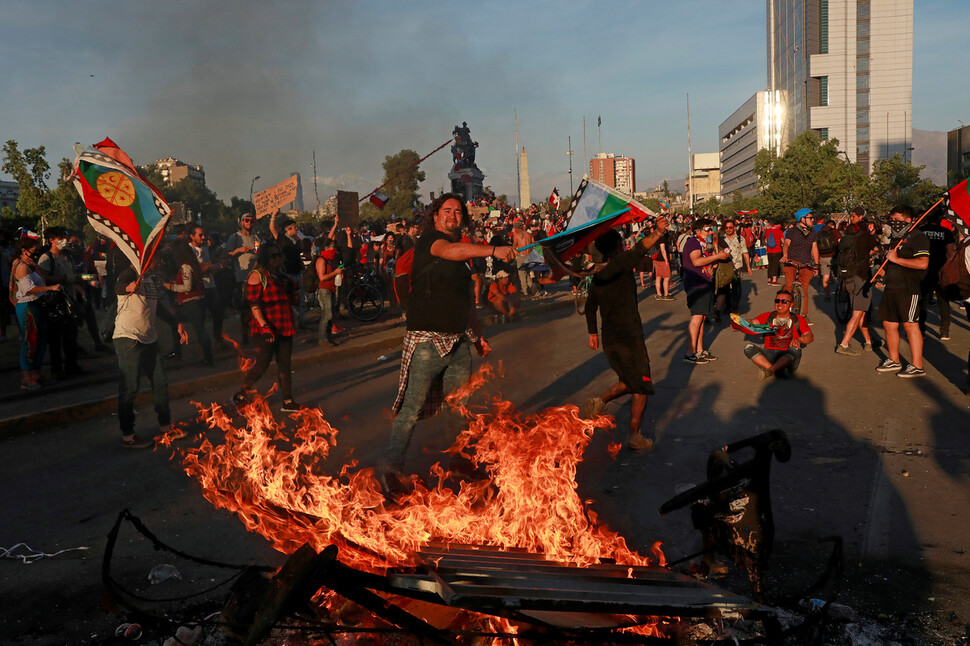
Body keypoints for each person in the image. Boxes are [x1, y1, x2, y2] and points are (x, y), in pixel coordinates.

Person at [384, 194, 515, 473]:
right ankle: (391, 469)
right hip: (426, 343)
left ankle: (458, 459)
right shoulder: (430, 240)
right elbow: (448, 251)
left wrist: (478, 337)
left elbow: (466, 301)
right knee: (410, 412)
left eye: (458, 212)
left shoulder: (461, 255)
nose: (452, 216)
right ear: (435, 215)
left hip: (458, 343)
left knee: (460, 407)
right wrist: (493, 251)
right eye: (447, 210)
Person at [581, 218, 670, 452]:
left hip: (610, 339)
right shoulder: (620, 263)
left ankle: (598, 402)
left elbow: (590, 308)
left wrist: (593, 334)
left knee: (628, 381)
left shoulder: (598, 276)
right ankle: (635, 436)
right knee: (641, 387)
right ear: (618, 248)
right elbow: (642, 247)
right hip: (630, 338)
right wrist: (659, 231)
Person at [114, 258, 188, 448]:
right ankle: (128, 436)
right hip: (129, 337)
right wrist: (128, 287)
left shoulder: (149, 279)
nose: (159, 261)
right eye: (155, 258)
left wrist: (176, 323)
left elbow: (159, 309)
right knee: (130, 387)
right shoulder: (130, 273)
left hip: (150, 338)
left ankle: (165, 427)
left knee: (160, 382)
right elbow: (119, 286)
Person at [232, 243, 302, 412]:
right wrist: (264, 326)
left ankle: (288, 401)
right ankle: (241, 395)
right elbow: (254, 306)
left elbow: (295, 299)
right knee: (262, 365)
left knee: (285, 365)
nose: (277, 258)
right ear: (264, 258)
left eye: (279, 255)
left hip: (284, 327)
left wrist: (293, 294)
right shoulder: (257, 276)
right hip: (265, 330)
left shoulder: (283, 278)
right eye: (273, 256)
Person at [874, 206, 931, 377]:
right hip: (891, 287)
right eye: (892, 220)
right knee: (889, 324)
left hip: (909, 288)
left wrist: (897, 259)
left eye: (897, 220)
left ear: (908, 220)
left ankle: (917, 365)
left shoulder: (919, 237)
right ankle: (894, 360)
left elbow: (923, 263)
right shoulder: (894, 239)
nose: (894, 223)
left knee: (910, 324)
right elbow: (889, 264)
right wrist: (879, 275)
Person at [11, 238, 61, 389]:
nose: (36, 251)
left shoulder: (32, 265)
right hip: (27, 306)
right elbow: (28, 289)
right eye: (33, 248)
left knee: (41, 339)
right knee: (30, 341)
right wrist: (50, 288)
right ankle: (26, 376)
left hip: (37, 305)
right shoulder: (22, 267)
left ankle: (37, 372)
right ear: (24, 250)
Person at [37, 227, 86, 378]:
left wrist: (80, 290)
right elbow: (43, 278)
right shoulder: (46, 258)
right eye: (60, 238)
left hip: (70, 300)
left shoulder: (69, 257)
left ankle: (72, 366)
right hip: (55, 303)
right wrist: (63, 279)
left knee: (71, 336)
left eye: (64, 237)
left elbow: (72, 277)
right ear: (51, 240)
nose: (63, 241)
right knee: (55, 339)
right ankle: (56, 370)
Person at [681, 219, 731, 364]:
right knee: (697, 317)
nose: (711, 232)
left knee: (702, 317)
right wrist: (717, 256)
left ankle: (699, 350)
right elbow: (696, 261)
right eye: (708, 229)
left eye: (712, 229)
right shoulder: (693, 242)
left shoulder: (705, 244)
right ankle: (690, 352)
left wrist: (716, 253)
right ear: (698, 231)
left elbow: (711, 264)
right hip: (696, 285)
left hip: (705, 283)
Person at [835, 208, 881, 355]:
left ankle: (868, 342)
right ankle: (844, 344)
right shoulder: (866, 235)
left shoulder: (847, 234)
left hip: (847, 276)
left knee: (860, 311)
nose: (852, 217)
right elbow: (877, 250)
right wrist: (870, 254)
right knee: (857, 312)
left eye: (853, 216)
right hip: (861, 276)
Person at [743, 289, 814, 380]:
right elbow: (752, 322)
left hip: (788, 356)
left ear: (791, 304)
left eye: (784, 301)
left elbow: (810, 336)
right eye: (777, 301)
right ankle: (774, 370)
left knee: (795, 350)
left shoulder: (798, 319)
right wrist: (740, 322)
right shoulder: (768, 316)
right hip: (770, 354)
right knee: (748, 348)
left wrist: (800, 340)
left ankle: (770, 369)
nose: (779, 304)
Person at [163, 240, 214, 366]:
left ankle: (206, 357)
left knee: (196, 329)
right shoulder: (193, 263)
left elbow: (187, 286)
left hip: (191, 303)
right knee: (198, 329)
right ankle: (206, 356)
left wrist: (172, 287)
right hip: (198, 301)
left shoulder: (186, 266)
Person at [917, 205, 956, 340]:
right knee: (943, 302)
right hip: (941, 270)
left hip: (923, 270)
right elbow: (951, 253)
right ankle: (945, 331)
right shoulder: (946, 232)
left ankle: (920, 329)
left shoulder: (919, 231)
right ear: (940, 219)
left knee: (922, 301)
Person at [221, 213, 260, 344]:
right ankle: (244, 336)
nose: (249, 223)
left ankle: (256, 333)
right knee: (245, 309)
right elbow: (226, 254)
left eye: (252, 221)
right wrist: (238, 250)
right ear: (242, 222)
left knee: (257, 307)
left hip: (256, 277)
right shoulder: (235, 237)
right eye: (247, 220)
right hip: (242, 278)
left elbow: (259, 251)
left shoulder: (256, 236)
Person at [187, 223, 225, 348]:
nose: (204, 237)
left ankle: (218, 339)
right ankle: (203, 343)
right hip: (199, 287)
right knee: (201, 317)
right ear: (192, 236)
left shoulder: (205, 248)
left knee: (218, 313)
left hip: (211, 285)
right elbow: (196, 268)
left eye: (204, 235)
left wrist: (217, 265)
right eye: (200, 235)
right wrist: (210, 267)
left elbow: (208, 264)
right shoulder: (189, 250)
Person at [781, 208, 820, 321]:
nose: (813, 220)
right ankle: (785, 311)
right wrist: (785, 255)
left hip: (806, 264)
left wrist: (816, 265)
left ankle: (803, 315)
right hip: (791, 262)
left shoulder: (813, 232)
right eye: (810, 218)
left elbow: (815, 248)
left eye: (813, 218)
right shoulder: (791, 231)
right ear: (802, 219)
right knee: (788, 287)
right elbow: (786, 245)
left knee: (804, 290)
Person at [270, 211, 307, 329]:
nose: (297, 229)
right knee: (289, 300)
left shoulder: (296, 240)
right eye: (295, 227)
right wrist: (274, 215)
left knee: (300, 300)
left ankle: (302, 323)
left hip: (297, 273)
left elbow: (298, 256)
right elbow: (272, 228)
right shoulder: (281, 238)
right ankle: (290, 324)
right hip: (287, 274)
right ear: (288, 229)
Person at [715, 219, 751, 316]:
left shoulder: (740, 239)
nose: (728, 229)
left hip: (737, 267)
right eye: (726, 227)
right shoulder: (721, 239)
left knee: (736, 288)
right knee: (725, 288)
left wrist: (748, 266)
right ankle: (727, 306)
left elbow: (745, 253)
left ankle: (734, 308)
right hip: (725, 267)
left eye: (730, 227)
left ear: (734, 228)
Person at [314, 235, 343, 346]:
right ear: (326, 248)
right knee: (327, 315)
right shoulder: (322, 260)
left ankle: (327, 337)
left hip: (330, 288)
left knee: (330, 314)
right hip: (324, 289)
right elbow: (322, 277)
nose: (334, 248)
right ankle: (322, 339)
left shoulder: (329, 260)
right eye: (332, 246)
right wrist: (335, 273)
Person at [764, 221, 785, 285]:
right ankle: (774, 280)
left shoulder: (767, 231)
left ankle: (769, 279)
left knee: (770, 265)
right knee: (775, 265)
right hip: (777, 250)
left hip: (769, 250)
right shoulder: (779, 231)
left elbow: (766, 240)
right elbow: (783, 241)